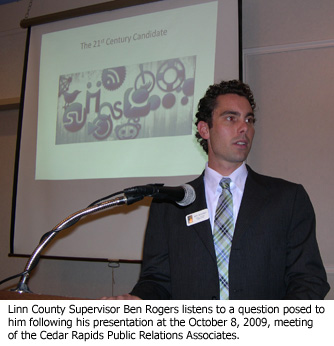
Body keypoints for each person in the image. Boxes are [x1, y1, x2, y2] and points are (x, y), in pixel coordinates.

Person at [106, 80, 330, 300]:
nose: (244, 128)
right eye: (231, 118)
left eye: (249, 120)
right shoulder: (169, 205)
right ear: (205, 129)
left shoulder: (288, 199)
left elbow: (309, 280)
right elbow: (156, 281)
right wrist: (138, 300)